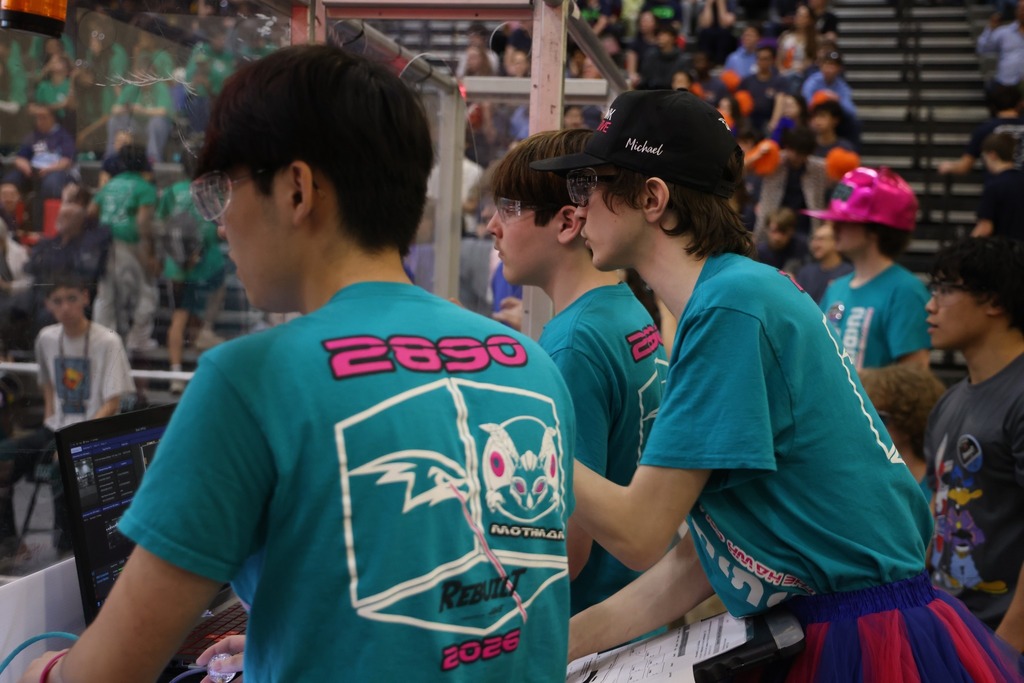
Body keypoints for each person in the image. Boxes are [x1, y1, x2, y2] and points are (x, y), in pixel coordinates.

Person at [17, 44, 576, 683]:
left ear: (297, 189)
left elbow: (106, 674)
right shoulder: (528, 364)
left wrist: (43, 669)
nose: (222, 222)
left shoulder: (249, 379)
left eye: (225, 189)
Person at [529, 88, 1024, 679]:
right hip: (852, 623)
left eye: (589, 186)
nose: (578, 209)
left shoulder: (731, 307)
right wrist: (549, 648)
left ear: (653, 197)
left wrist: (528, 430)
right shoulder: (737, 293)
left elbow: (639, 533)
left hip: (854, 637)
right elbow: (698, 561)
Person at [487, 128, 667, 615]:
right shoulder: (622, 310)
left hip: (587, 626)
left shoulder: (573, 343)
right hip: (634, 609)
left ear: (568, 222)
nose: (491, 227)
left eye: (507, 208)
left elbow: (564, 551)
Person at [924, 236, 1024, 653]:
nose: (931, 305)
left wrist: (1009, 644)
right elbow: (936, 504)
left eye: (946, 290)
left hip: (1000, 638)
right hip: (951, 625)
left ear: (994, 301)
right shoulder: (950, 398)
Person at [0, 275, 132, 566]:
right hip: (55, 426)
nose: (65, 307)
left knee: (63, 467)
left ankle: (67, 553)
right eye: (57, 301)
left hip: (91, 430)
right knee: (5, 457)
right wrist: (51, 417)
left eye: (71, 298)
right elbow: (47, 383)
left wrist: (73, 440)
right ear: (48, 305)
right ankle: (9, 541)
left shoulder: (107, 340)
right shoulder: (47, 338)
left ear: (85, 298)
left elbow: (113, 402)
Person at [812, 167, 932, 370]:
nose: (833, 228)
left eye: (845, 221)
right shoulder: (836, 288)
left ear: (875, 230)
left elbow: (914, 379)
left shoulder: (905, 291)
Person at [157, 154, 227, 394]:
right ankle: (187, 371)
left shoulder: (173, 191)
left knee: (181, 318)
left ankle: (179, 374)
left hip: (177, 268)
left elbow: (163, 223)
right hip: (203, 267)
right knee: (187, 320)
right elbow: (220, 222)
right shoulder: (209, 191)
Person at [89, 143, 159, 352]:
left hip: (104, 245)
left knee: (106, 295)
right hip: (129, 245)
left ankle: (103, 339)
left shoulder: (110, 184)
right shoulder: (144, 188)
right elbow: (143, 225)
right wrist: (148, 256)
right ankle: (138, 337)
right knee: (147, 292)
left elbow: (91, 212)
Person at [858, 363, 946, 488]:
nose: (869, 426)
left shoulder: (940, 487)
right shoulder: (866, 480)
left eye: (878, 418)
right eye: (866, 416)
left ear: (907, 421)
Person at [937, 84, 1024, 178]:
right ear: (1020, 103)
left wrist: (949, 166)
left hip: (996, 185)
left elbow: (964, 166)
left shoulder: (984, 129)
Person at [974, 131, 1024, 239]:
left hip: (1004, 249)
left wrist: (965, 250)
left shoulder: (994, 186)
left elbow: (985, 227)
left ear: (992, 155)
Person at [794, 220, 851, 303]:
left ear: (835, 242)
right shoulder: (806, 272)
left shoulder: (848, 274)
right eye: (813, 239)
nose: (814, 244)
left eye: (821, 239)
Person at [977, 0, 1024, 89]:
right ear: (1016, 11)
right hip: (1007, 85)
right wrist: (990, 29)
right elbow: (983, 48)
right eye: (1021, 9)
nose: (1023, 12)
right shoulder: (1004, 32)